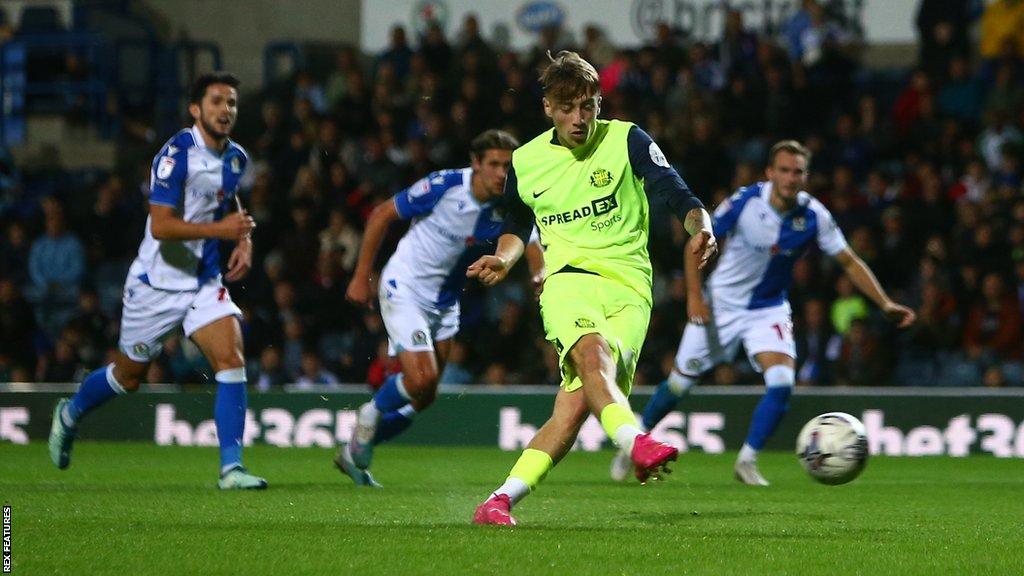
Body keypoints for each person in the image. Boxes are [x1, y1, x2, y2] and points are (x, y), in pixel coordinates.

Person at [468, 51, 716, 526]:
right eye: (567, 108)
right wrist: (504, 258)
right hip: (568, 282)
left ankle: (498, 501)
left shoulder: (628, 140)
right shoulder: (527, 161)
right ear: (548, 107)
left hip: (629, 286)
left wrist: (700, 226)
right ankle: (635, 443)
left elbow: (676, 193)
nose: (579, 119)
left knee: (576, 406)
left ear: (599, 102)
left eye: (588, 106)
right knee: (591, 353)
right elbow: (518, 226)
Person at [615, 140, 916, 486]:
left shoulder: (813, 215)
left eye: (798, 172)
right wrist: (695, 298)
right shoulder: (745, 202)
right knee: (680, 383)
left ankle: (747, 460)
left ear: (806, 176)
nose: (791, 178)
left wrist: (885, 303)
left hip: (767, 308)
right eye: (784, 170)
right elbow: (695, 241)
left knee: (782, 382)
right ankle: (634, 443)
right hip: (720, 306)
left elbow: (848, 260)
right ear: (770, 173)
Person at [47, 72, 267, 490]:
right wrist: (223, 232)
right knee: (128, 376)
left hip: (203, 281)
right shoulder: (174, 154)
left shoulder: (236, 157)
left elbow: (227, 201)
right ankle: (70, 414)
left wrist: (244, 237)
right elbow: (162, 226)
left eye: (232, 103)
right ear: (196, 109)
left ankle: (231, 469)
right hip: (156, 285)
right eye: (217, 101)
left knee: (232, 359)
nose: (226, 110)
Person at [336, 129, 541, 487]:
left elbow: (530, 237)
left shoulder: (511, 200)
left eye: (507, 166)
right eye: (493, 164)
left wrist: (540, 274)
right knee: (423, 378)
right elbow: (383, 214)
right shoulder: (443, 186)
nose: (500, 173)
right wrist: (360, 275)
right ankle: (369, 415)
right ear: (475, 164)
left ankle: (356, 447)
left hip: (445, 302)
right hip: (405, 287)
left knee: (425, 395)